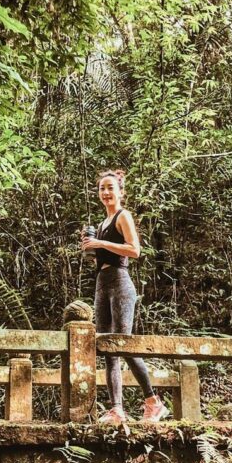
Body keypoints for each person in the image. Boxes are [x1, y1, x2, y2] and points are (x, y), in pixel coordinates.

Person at [81, 170, 169, 424]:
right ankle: (117, 409)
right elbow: (102, 255)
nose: (106, 193)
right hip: (102, 283)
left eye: (110, 188)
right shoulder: (101, 225)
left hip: (120, 282)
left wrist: (101, 244)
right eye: (101, 189)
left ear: (120, 191)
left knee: (124, 344)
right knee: (108, 348)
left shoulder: (123, 216)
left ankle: (153, 402)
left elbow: (134, 250)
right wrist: (91, 247)